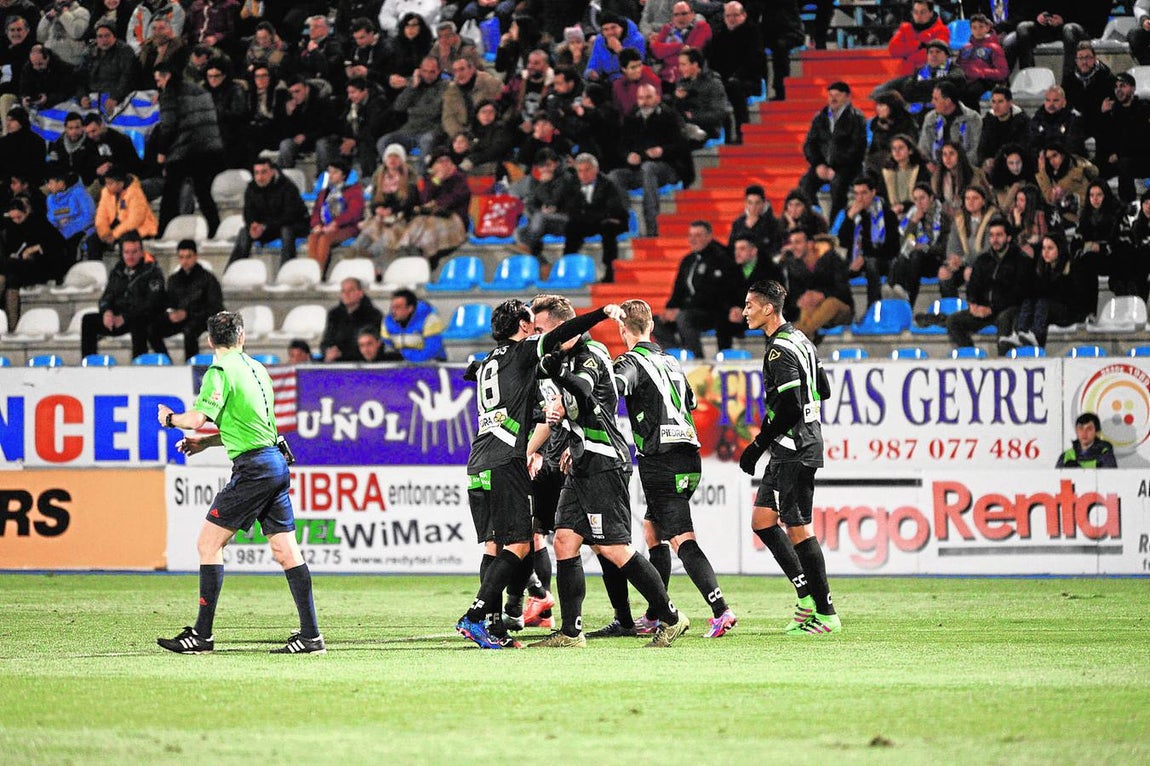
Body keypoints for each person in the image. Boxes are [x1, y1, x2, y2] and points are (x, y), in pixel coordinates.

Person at [455, 299, 656, 649]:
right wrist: (599, 314)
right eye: (532, 326)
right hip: (508, 460)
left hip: (480, 459)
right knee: (520, 543)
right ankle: (476, 617)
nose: (536, 331)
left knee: (500, 543)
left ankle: (497, 623)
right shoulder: (525, 352)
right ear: (522, 325)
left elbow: (470, 370)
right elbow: (564, 331)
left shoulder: (490, 360)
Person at [156, 310, 324, 655]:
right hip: (275, 463)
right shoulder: (258, 370)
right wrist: (205, 443)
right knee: (285, 550)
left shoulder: (219, 371)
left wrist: (171, 419)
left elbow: (197, 418)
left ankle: (202, 636)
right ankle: (311, 636)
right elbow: (253, 428)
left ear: (209, 341)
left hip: (253, 470)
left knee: (208, 544)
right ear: (242, 337)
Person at [529, 301, 691, 649]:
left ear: (562, 327)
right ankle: (572, 633)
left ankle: (672, 617)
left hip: (605, 461)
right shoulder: (565, 358)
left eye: (543, 329)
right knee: (564, 540)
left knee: (614, 548)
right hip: (583, 462)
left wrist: (558, 376)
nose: (541, 336)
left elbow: (586, 394)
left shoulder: (592, 353)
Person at [613, 298, 737, 638]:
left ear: (622, 329)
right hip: (689, 455)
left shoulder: (628, 361)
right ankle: (656, 611)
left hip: (660, 458)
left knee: (681, 537)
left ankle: (720, 609)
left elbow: (616, 386)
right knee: (653, 528)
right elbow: (692, 402)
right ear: (651, 325)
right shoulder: (670, 361)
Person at [739, 278, 840, 635]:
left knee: (798, 527)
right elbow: (823, 390)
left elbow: (792, 406)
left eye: (750, 305)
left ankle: (826, 613)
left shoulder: (779, 350)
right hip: (794, 444)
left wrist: (756, 445)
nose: (744, 311)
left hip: (794, 448)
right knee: (763, 521)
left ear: (768, 308)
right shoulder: (800, 338)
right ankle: (806, 597)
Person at [153, 60, 224, 240]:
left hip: (184, 150)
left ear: (166, 76)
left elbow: (168, 126)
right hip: (208, 148)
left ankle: (162, 232)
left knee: (170, 193)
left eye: (158, 81)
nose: (158, 85)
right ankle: (215, 227)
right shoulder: (198, 89)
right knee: (202, 192)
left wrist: (162, 151)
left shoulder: (169, 93)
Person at [608, 81, 689, 238]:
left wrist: (662, 151)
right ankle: (628, 221)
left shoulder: (669, 116)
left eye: (648, 97)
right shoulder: (631, 118)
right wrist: (628, 156)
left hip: (667, 168)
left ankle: (652, 226)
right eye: (641, 98)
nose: (644, 102)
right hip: (639, 169)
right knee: (614, 176)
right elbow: (621, 146)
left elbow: (682, 145)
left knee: (649, 168)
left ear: (657, 97)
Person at [654, 220, 738, 357]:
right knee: (654, 322)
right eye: (691, 235)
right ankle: (677, 357)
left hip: (712, 312)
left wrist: (680, 310)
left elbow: (712, 294)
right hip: (689, 310)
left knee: (683, 318)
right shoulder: (688, 261)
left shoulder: (720, 258)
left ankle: (697, 359)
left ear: (709, 236)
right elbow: (678, 289)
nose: (693, 239)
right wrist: (670, 309)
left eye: (698, 235)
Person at [946, 217, 1025, 355]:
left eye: (999, 235)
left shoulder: (1020, 260)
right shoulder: (983, 259)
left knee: (1005, 319)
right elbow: (973, 286)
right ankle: (971, 357)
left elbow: (1018, 293)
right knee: (953, 321)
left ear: (1008, 237)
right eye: (992, 235)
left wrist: (992, 309)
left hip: (1006, 310)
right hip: (983, 310)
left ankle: (1004, 362)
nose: (995, 239)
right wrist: (973, 304)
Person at [81, 232, 166, 359]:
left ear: (141, 252)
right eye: (126, 252)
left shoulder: (152, 272)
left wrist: (126, 317)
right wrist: (107, 311)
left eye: (134, 252)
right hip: (118, 317)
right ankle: (89, 362)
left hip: (141, 317)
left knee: (139, 322)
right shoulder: (118, 271)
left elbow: (152, 303)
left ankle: (138, 362)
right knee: (88, 320)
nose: (130, 256)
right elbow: (107, 296)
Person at [798, 81, 867, 222]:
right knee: (805, 184)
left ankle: (835, 225)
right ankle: (813, 220)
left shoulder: (856, 118)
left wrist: (835, 166)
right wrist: (818, 164)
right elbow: (809, 145)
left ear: (847, 97)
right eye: (830, 95)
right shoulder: (819, 118)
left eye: (837, 95)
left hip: (847, 167)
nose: (833, 99)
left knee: (838, 185)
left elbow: (857, 148)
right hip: (822, 166)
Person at [0, 195, 70, 329]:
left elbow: (59, 245)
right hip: (19, 269)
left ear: (26, 212)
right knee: (11, 279)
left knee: (7, 266)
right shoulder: (11, 229)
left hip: (43, 267)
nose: (16, 221)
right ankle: (12, 327)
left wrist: (36, 248)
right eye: (13, 218)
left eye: (19, 217)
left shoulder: (39, 223)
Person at [148, 239, 224, 361]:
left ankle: (191, 366)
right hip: (181, 319)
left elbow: (215, 307)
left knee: (190, 331)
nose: (185, 261)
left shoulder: (208, 279)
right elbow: (168, 303)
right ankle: (167, 362)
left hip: (201, 319)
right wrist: (170, 314)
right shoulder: (174, 280)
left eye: (188, 257)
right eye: (181, 257)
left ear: (195, 256)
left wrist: (188, 313)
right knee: (152, 329)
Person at [228, 157, 309, 267]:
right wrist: (253, 225)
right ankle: (231, 272)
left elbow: (290, 215)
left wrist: (265, 226)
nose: (260, 177)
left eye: (263, 172)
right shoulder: (251, 188)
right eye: (256, 173)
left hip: (293, 225)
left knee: (286, 230)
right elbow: (248, 212)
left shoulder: (287, 186)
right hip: (267, 227)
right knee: (245, 232)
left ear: (272, 172)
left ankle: (286, 271)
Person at [396, 149, 470, 266]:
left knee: (430, 226)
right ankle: (406, 249)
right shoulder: (428, 180)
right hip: (428, 216)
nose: (445, 164)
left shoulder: (460, 179)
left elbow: (453, 199)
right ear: (433, 166)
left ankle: (425, 256)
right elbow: (425, 199)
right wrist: (437, 180)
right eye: (440, 161)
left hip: (452, 218)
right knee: (417, 222)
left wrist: (434, 203)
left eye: (448, 161)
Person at [703, 2, 764, 144]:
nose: (732, 19)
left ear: (744, 15)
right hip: (724, 79)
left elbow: (754, 60)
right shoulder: (719, 34)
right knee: (714, 88)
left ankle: (742, 132)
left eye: (735, 15)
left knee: (734, 88)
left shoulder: (753, 32)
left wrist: (735, 76)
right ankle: (723, 135)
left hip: (748, 79)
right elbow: (712, 60)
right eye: (728, 16)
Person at [838, 174, 900, 310]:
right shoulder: (852, 214)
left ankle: (873, 308)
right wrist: (849, 217)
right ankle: (847, 312)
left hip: (882, 260)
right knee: (834, 269)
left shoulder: (887, 214)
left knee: (871, 263)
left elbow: (892, 248)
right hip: (856, 261)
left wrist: (864, 256)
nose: (859, 198)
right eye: (856, 194)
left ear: (873, 192)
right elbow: (842, 240)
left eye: (864, 193)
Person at [564, 153, 628, 283]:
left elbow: (613, 210)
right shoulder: (572, 185)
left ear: (596, 169)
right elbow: (570, 210)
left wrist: (587, 213)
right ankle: (568, 268)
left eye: (587, 170)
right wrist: (589, 214)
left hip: (608, 221)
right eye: (580, 171)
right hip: (588, 221)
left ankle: (610, 271)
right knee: (572, 227)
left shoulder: (608, 184)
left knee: (608, 228)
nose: (583, 174)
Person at [894, 182, 950, 308]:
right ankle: (896, 289)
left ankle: (907, 297)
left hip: (935, 260)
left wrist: (924, 247)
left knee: (916, 254)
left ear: (931, 198)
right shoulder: (912, 215)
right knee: (904, 256)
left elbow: (944, 247)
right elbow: (902, 242)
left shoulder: (942, 217)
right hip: (916, 263)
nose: (919, 203)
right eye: (916, 199)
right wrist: (913, 222)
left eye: (922, 198)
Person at [1096, 73, 1150, 205]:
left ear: (1132, 88)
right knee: (1091, 168)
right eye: (1116, 87)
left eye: (1123, 86)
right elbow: (1102, 138)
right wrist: (1103, 115)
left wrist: (1118, 154)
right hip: (1116, 158)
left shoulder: (1144, 108)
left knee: (1125, 165)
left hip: (1141, 159)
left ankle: (1127, 206)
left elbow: (1141, 139)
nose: (1118, 90)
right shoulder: (1112, 110)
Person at [307, 160, 365, 278]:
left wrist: (336, 223)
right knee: (313, 237)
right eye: (330, 172)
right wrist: (316, 224)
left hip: (347, 227)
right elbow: (317, 211)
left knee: (325, 239)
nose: (331, 175)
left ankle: (319, 274)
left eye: (335, 172)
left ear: (343, 175)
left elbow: (354, 213)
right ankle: (312, 273)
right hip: (325, 226)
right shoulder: (324, 192)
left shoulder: (354, 191)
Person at [92, 164, 158, 259]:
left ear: (120, 183)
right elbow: (101, 215)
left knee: (125, 241)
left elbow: (135, 220)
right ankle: (95, 270)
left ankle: (124, 269)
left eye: (110, 183)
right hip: (116, 227)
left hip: (139, 229)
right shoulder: (106, 192)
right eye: (106, 183)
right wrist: (104, 233)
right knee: (93, 240)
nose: (107, 186)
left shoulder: (135, 192)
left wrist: (114, 235)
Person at [917, 82, 982, 169]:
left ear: (947, 101)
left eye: (936, 99)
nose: (932, 102)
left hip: (965, 170)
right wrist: (928, 164)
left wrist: (959, 168)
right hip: (935, 170)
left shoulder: (972, 118)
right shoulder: (930, 118)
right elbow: (923, 149)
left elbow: (975, 150)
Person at [320, 277, 383, 362]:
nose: (346, 294)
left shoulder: (374, 315)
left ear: (361, 293)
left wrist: (342, 354)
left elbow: (373, 347)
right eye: (343, 291)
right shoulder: (334, 314)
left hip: (362, 364)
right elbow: (325, 342)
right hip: (336, 363)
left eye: (350, 290)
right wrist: (328, 351)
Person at [44, 164, 95, 262]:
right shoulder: (50, 199)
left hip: (82, 232)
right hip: (60, 234)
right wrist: (59, 223)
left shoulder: (79, 193)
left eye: (50, 183)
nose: (47, 186)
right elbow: (51, 219)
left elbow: (89, 217)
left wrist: (69, 225)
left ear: (61, 182)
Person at [955, 13, 1008, 108]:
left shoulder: (994, 48)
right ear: (971, 29)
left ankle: (975, 120)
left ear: (987, 28)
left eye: (981, 27)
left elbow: (1003, 72)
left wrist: (982, 72)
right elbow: (957, 67)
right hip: (967, 79)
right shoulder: (965, 48)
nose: (978, 31)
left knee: (971, 92)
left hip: (986, 80)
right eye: (974, 28)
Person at [379, 288, 446, 362]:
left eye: (398, 307)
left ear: (410, 308)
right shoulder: (387, 322)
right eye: (392, 307)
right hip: (400, 367)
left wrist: (406, 359)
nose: (393, 311)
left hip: (431, 366)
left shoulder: (430, 319)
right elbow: (387, 349)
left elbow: (432, 351)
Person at [976, 86, 1030, 171]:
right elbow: (982, 147)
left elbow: (1023, 149)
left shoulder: (1022, 122)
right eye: (993, 102)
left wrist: (999, 161)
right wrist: (985, 161)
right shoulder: (987, 121)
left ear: (1010, 103)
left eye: (1000, 102)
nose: (996, 106)